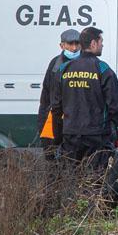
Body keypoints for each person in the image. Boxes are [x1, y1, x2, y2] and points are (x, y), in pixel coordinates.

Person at [50, 27, 118, 171]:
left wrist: (58, 140)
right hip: (96, 137)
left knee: (72, 180)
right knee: (95, 181)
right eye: (101, 41)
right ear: (93, 43)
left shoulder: (64, 69)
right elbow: (115, 107)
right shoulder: (103, 69)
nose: (102, 45)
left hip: (70, 137)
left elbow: (55, 108)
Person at [37, 29, 81, 158]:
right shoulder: (55, 64)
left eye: (77, 43)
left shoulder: (86, 64)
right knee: (53, 160)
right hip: (56, 118)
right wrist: (42, 121)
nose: (74, 48)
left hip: (76, 121)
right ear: (62, 45)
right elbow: (46, 94)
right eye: (70, 44)